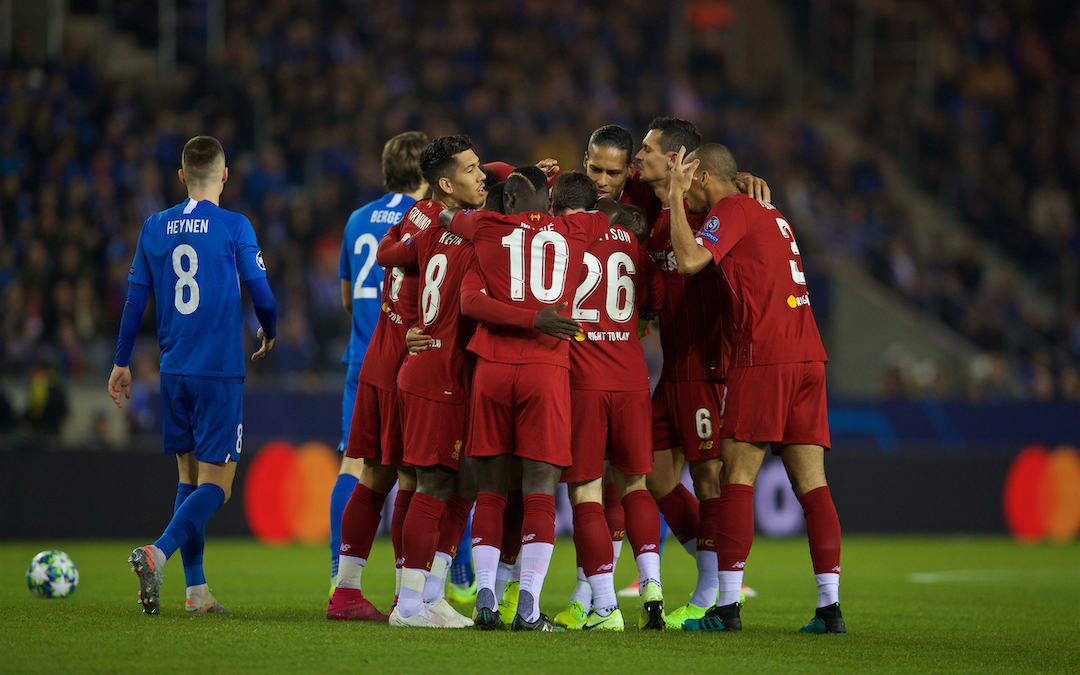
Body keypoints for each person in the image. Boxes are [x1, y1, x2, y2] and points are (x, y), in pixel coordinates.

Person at [666, 143, 845, 634]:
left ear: (701, 176)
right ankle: (830, 609)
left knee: (735, 478)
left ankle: (726, 609)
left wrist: (678, 197)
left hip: (764, 355)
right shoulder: (767, 207)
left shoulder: (731, 208)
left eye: (690, 180)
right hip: (809, 354)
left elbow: (687, 259)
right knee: (813, 485)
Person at [439, 167, 619, 631]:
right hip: (546, 371)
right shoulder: (576, 227)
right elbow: (611, 209)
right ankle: (530, 606)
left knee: (492, 490)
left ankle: (484, 594)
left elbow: (446, 217)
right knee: (540, 491)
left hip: (492, 370)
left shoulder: (486, 228)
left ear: (511, 201)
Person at [111, 135, 277, 615]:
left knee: (188, 478)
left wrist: (122, 362)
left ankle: (196, 591)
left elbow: (135, 301)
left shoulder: (154, 226)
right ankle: (157, 553)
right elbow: (261, 292)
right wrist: (269, 329)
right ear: (225, 175)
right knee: (218, 486)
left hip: (173, 368)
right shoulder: (235, 225)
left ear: (180, 177)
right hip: (218, 369)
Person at [546, 173, 668, 632]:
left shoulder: (560, 235)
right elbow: (654, 297)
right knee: (635, 485)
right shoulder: (629, 241)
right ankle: (652, 585)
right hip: (633, 378)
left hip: (585, 380)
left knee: (586, 492)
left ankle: (603, 607)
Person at [329, 131, 429, 592]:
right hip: (412, 360)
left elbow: (348, 299)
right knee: (424, 471)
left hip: (362, 361)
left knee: (356, 467)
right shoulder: (427, 219)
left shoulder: (355, 220)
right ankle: (423, 584)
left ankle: (340, 576)